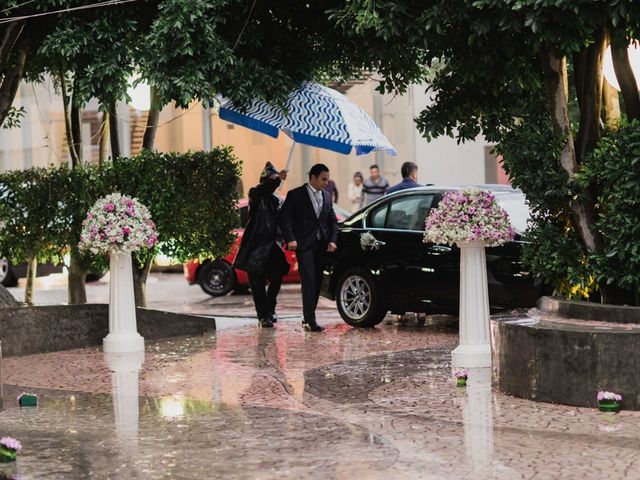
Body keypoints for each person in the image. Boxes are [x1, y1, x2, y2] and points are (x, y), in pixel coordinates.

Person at [280, 163, 338, 332]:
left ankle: (307, 316)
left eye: (328, 179)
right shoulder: (296, 194)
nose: (326, 182)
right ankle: (310, 319)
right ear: (312, 177)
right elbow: (285, 219)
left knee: (318, 282)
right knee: (309, 280)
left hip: (322, 246)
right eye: (323, 179)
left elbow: (332, 221)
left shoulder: (327, 196)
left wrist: (333, 240)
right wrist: (291, 238)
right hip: (303, 245)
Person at [233, 162, 289, 328]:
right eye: (272, 177)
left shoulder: (275, 200)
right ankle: (263, 316)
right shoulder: (255, 193)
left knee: (276, 280)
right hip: (256, 248)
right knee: (257, 286)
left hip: (272, 247)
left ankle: (270, 310)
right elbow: (264, 189)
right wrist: (278, 179)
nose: (275, 180)